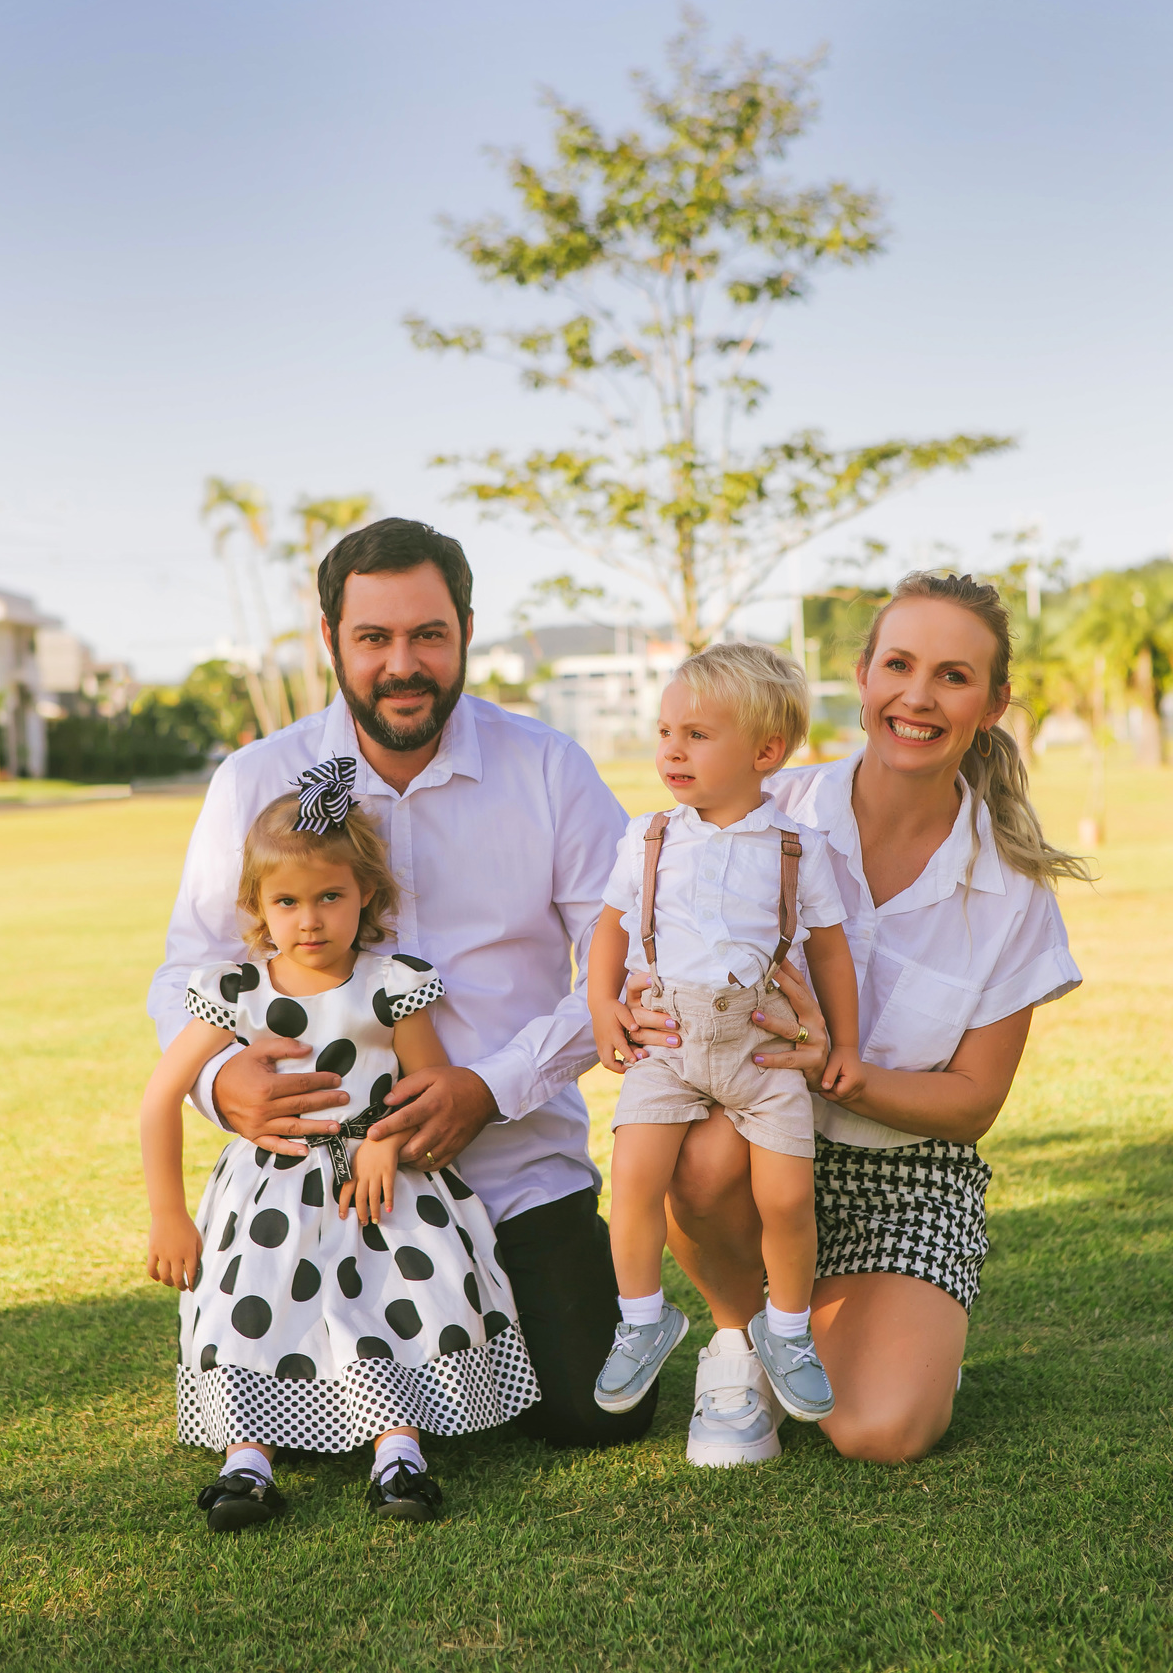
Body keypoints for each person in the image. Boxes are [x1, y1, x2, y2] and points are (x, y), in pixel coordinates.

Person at [148, 516, 654, 1450]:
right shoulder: (256, 779)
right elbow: (187, 971)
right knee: (312, 1418)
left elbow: (625, 969)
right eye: (374, 638)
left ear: (466, 627)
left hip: (513, 1173)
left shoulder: (550, 769)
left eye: (429, 634)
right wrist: (225, 1085)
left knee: (597, 1413)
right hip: (314, 1191)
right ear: (332, 640)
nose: (403, 664)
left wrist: (488, 1087)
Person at [626, 573, 1088, 1465]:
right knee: (692, 1143)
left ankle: (869, 1339)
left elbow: (972, 1106)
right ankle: (738, 1341)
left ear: (991, 705)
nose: (917, 696)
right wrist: (638, 1006)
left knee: (878, 1430)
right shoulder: (764, 810)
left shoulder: (1013, 894)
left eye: (953, 677)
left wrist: (836, 1063)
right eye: (899, 665)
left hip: (905, 1171)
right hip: (760, 1134)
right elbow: (645, 931)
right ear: (865, 676)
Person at [142, 783, 539, 1532]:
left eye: (330, 896)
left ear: (367, 894)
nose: (310, 919)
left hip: (380, 1184)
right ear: (257, 906)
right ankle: (246, 1463)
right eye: (286, 902)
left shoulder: (392, 986)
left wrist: (387, 1141)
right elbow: (159, 1099)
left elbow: (425, 1088)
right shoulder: (234, 991)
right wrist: (168, 1215)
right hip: (268, 1193)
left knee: (399, 1295)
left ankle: (400, 1454)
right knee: (255, 1302)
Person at [586, 644, 860, 1451]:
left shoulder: (793, 849)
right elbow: (609, 928)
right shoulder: (648, 838)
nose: (671, 749)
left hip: (760, 1048)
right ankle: (643, 1320)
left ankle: (787, 1326)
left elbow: (831, 950)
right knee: (634, 1174)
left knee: (785, 1198)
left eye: (697, 734)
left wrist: (834, 1039)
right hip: (668, 1040)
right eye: (666, 730)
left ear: (766, 754)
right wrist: (604, 1004)